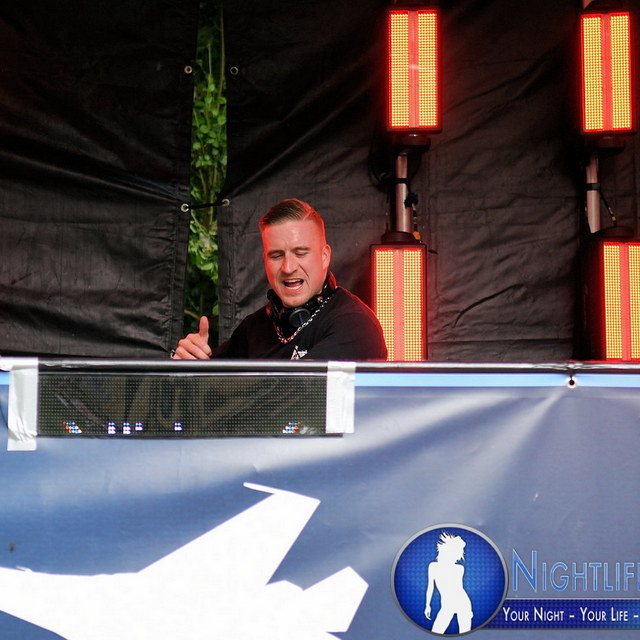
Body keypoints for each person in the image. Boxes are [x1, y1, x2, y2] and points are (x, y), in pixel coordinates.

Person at [173, 198, 387, 361]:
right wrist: (188, 364)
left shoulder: (354, 324)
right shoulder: (253, 328)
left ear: (324, 257)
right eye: (276, 255)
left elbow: (298, 398)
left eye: (300, 253)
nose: (288, 267)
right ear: (265, 260)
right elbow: (208, 395)